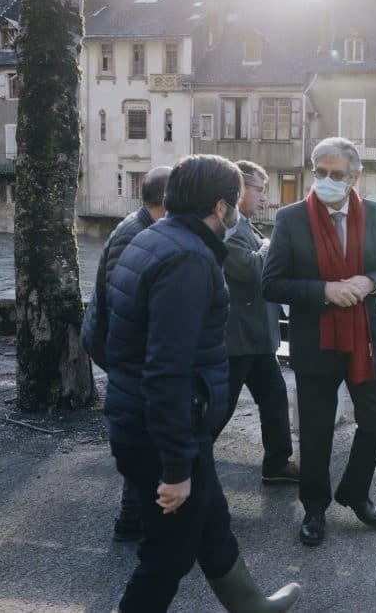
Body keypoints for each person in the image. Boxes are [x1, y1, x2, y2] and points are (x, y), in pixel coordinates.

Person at [104, 155, 300, 612]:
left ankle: (249, 604)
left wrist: (127, 391)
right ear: (219, 206)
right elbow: (168, 369)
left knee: (212, 519)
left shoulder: (147, 239)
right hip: (164, 430)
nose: (235, 211)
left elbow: (100, 329)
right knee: (167, 555)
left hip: (144, 418)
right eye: (233, 202)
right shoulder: (188, 260)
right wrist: (175, 468)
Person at [262, 137, 376, 547]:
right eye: (320, 173)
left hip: (365, 340)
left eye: (336, 175)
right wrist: (324, 290)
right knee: (316, 430)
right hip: (315, 339)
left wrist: (370, 281)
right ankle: (314, 508)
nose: (326, 181)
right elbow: (270, 283)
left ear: (355, 177)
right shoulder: (291, 219)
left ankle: (355, 492)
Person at [82, 164, 171, 543]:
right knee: (143, 435)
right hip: (120, 350)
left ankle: (134, 518)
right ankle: (132, 519)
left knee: (143, 435)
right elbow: (124, 307)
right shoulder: (135, 235)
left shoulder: (142, 228)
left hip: (120, 348)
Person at [216, 160, 300, 484]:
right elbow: (250, 271)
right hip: (237, 338)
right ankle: (184, 466)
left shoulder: (245, 226)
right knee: (219, 410)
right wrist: (272, 245)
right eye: (260, 190)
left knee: (274, 398)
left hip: (254, 336)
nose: (264, 198)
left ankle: (277, 463)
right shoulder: (231, 229)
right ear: (239, 191)